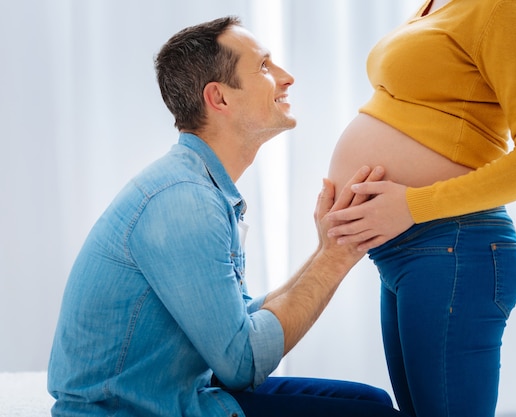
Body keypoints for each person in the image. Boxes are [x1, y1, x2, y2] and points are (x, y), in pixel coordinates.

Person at [47, 16, 409, 417]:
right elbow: (241, 363)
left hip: (174, 392)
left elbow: (235, 323)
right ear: (219, 98)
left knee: (371, 402)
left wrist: (328, 247)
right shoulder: (184, 203)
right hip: (133, 410)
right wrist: (337, 258)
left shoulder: (198, 187)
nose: (287, 78)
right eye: (265, 67)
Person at [324, 0, 516, 416]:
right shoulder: (437, 6)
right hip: (406, 252)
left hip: (454, 246)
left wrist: (413, 204)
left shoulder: (506, 9)